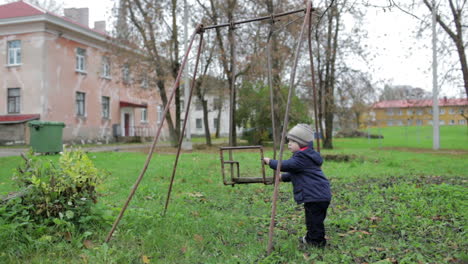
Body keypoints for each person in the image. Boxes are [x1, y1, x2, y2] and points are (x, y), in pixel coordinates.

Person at [263, 123, 332, 248]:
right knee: (312, 220)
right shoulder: (306, 156)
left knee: (314, 221)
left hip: (315, 195)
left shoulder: (302, 157)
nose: (289, 143)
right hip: (317, 195)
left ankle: (317, 242)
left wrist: (270, 162)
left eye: (293, 141)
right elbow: (297, 172)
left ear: (302, 144)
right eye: (289, 140)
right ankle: (311, 238)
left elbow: (287, 165)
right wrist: (283, 178)